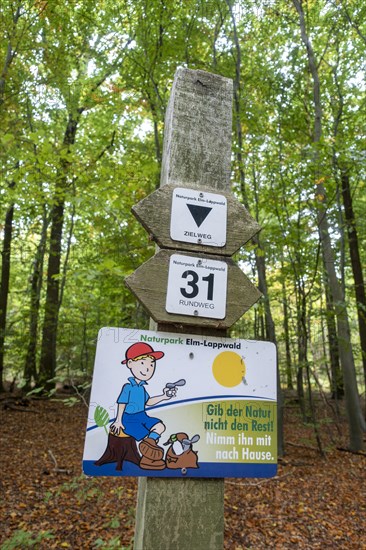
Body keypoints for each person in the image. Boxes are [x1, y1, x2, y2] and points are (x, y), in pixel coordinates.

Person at [110, 342, 176, 469]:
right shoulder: (128, 387)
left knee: (160, 426)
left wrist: (164, 397)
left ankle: (149, 444)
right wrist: (118, 420)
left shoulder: (142, 388)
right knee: (145, 435)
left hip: (142, 416)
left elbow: (148, 402)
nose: (148, 368)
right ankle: (148, 455)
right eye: (142, 363)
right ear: (130, 364)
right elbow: (121, 403)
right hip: (129, 418)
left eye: (151, 364)